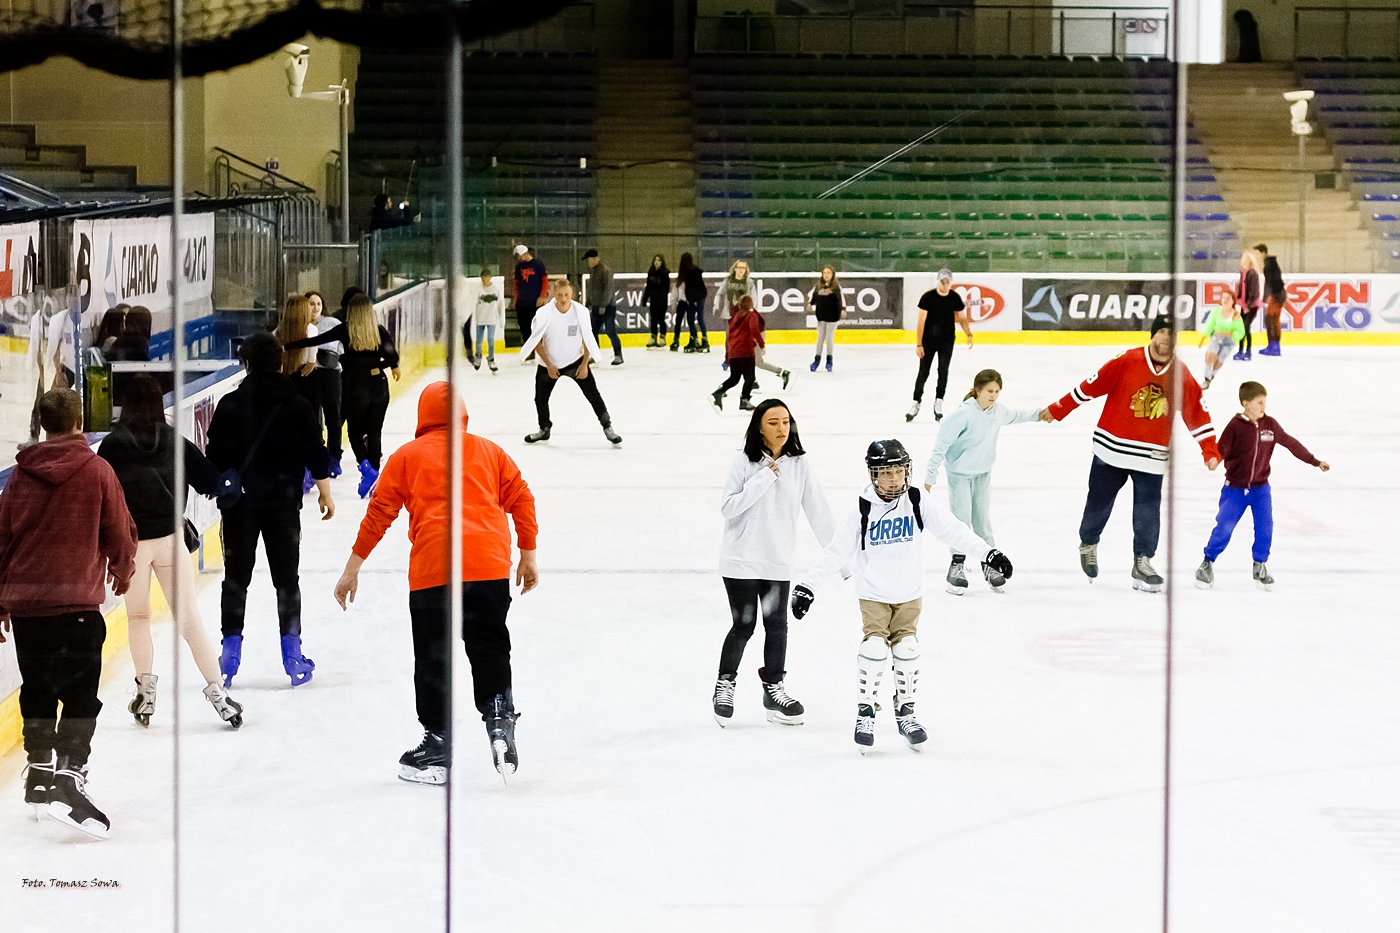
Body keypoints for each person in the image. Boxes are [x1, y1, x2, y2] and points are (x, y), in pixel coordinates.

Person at [333, 382, 539, 781]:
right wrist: (527, 555)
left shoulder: (407, 456)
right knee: (490, 647)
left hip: (433, 572)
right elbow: (522, 498)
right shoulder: (491, 452)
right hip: (488, 568)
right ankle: (499, 716)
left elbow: (379, 514)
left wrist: (352, 567)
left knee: (432, 658)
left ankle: (438, 747)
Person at [790, 439, 1011, 752]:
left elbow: (953, 529)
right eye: (886, 473)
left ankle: (906, 712)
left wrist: (988, 552)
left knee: (907, 649)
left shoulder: (917, 500)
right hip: (874, 594)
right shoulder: (863, 507)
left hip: (909, 594)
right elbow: (836, 550)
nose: (894, 479)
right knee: (875, 648)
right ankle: (865, 712)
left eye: (899, 472)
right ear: (873, 475)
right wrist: (808, 586)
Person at [0, 388, 137, 838]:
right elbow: (119, 529)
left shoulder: (19, 479)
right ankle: (69, 774)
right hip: (76, 605)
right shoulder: (97, 471)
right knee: (80, 694)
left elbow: (3, 540)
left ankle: (39, 770)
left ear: (41, 425)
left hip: (28, 607)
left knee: (37, 687)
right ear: (81, 421)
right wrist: (122, 567)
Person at [96, 375, 243, 729]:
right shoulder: (172, 440)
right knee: (190, 621)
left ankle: (145, 694)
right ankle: (220, 697)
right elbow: (210, 480)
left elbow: (100, 497)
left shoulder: (112, 447)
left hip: (131, 545)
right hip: (169, 538)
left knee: (138, 619)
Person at [1040, 314, 1221, 593]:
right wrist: (1058, 408)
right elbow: (1090, 386)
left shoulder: (1180, 373)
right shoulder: (1127, 360)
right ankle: (1088, 542)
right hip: (1111, 448)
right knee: (1099, 502)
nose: (1166, 339)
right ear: (1152, 335)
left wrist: (1209, 450)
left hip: (1152, 455)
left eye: (1171, 334)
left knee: (1148, 512)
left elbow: (1197, 412)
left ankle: (1143, 561)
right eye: (1161, 332)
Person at [205, 332, 334, 688]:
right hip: (283, 504)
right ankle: (292, 654)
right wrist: (325, 493)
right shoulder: (298, 404)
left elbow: (213, 458)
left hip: (241, 505)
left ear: (246, 363)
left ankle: (229, 654)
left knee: (236, 579)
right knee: (286, 580)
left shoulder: (230, 404)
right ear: (280, 362)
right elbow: (316, 451)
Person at [712, 399, 836, 728]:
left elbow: (818, 510)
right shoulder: (744, 461)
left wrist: (842, 558)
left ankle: (773, 689)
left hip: (777, 563)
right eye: (773, 423)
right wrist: (763, 478)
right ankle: (725, 684)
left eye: (785, 422)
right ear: (759, 428)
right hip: (741, 561)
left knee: (777, 627)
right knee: (744, 626)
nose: (781, 428)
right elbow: (728, 508)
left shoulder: (800, 463)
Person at [1196, 381, 1328, 592]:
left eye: (1264, 401)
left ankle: (1260, 565)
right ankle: (1207, 562)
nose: (1263, 406)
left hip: (1260, 489)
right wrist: (1214, 460)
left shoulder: (1270, 425)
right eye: (1259, 402)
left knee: (1265, 528)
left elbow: (1290, 443)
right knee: (1224, 527)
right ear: (1246, 403)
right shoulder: (1235, 426)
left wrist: (1314, 461)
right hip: (1235, 489)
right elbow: (1222, 448)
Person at [923, 368, 1043, 596]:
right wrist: (930, 476)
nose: (994, 395)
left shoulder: (997, 412)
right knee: (961, 521)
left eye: (997, 391)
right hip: (959, 474)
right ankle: (956, 566)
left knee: (982, 522)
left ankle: (989, 563)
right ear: (978, 389)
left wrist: (1040, 413)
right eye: (989, 390)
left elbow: (1017, 415)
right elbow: (941, 445)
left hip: (982, 473)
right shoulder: (963, 414)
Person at [283, 294, 401, 498]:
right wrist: (379, 366)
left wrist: (287, 346)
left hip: (355, 387)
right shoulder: (379, 331)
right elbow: (392, 356)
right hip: (378, 385)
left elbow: (316, 340)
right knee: (374, 432)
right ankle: (373, 474)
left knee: (355, 432)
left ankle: (365, 466)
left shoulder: (345, 329)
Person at [519, 280, 622, 447]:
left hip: (575, 361)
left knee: (593, 395)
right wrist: (549, 365)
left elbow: (588, 337)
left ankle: (608, 427)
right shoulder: (544, 313)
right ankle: (544, 429)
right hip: (549, 363)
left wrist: (584, 363)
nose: (563, 299)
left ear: (572, 294)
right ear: (554, 294)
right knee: (540, 398)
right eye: (559, 295)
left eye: (566, 295)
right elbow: (536, 342)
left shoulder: (580, 311)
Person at [907, 268, 973, 423]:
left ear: (951, 282)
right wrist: (919, 344)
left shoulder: (955, 298)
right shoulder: (927, 298)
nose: (944, 285)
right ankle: (916, 402)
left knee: (943, 371)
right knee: (923, 372)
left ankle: (939, 402)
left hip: (947, 341)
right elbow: (921, 322)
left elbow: (962, 318)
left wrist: (968, 333)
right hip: (928, 341)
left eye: (947, 282)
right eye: (942, 282)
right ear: (938, 281)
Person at [307, 290, 345, 478]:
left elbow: (342, 350)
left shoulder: (332, 324)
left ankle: (334, 456)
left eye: (318, 304)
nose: (315, 307)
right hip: (309, 376)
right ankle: (315, 456)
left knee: (332, 416)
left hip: (330, 376)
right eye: (311, 303)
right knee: (312, 418)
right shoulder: (298, 325)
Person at [710, 295, 763, 413]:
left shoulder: (735, 317)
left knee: (734, 378)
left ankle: (718, 393)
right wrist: (761, 344)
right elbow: (754, 329)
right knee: (750, 378)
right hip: (745, 352)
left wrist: (728, 355)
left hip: (734, 352)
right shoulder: (751, 314)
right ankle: (744, 400)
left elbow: (730, 336)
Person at [1198, 290, 1246, 390]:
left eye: (1228, 298)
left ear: (1233, 301)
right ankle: (1206, 378)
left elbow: (1240, 331)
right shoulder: (1216, 311)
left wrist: (1232, 335)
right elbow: (1209, 324)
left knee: (1219, 360)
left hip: (1229, 342)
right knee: (1210, 356)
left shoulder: (1235, 315)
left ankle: (1211, 376)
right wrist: (1203, 337)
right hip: (1216, 338)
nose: (1225, 300)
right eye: (1223, 297)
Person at [583, 248, 623, 366]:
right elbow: (592, 289)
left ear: (595, 259)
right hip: (596, 306)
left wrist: (603, 305)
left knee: (610, 330)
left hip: (607, 307)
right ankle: (595, 355)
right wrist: (589, 302)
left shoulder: (605, 270)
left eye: (589, 260)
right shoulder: (593, 271)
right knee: (593, 331)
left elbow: (608, 289)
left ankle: (618, 355)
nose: (588, 262)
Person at [807, 265, 846, 373]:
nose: (826, 275)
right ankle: (816, 360)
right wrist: (810, 304)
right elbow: (814, 297)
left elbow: (841, 299)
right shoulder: (819, 285)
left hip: (833, 316)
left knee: (829, 338)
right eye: (824, 273)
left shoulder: (836, 286)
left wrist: (843, 309)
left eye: (828, 273)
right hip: (821, 315)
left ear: (833, 274)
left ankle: (829, 361)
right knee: (820, 339)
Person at [672, 252, 710, 353]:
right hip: (695, 299)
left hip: (694, 299)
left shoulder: (691, 272)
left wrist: (692, 300)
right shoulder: (690, 272)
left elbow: (694, 288)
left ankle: (700, 340)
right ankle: (696, 340)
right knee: (693, 320)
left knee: (695, 319)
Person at [512, 244, 548, 346]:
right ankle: (529, 349)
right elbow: (516, 284)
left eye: (519, 256)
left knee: (537, 327)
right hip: (523, 302)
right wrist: (516, 299)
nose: (519, 258)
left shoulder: (538, 264)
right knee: (524, 326)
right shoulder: (519, 267)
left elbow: (544, 281)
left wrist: (542, 296)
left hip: (536, 301)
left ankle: (539, 349)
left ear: (524, 254)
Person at [470, 269, 504, 372]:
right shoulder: (478, 289)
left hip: (492, 319)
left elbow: (501, 304)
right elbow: (472, 303)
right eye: (484, 278)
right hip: (481, 318)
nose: (486, 280)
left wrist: (502, 319)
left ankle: (491, 359)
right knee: (479, 340)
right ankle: (478, 356)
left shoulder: (496, 289)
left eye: (488, 277)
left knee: (490, 340)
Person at [1232, 249, 1262, 361]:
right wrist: (1239, 301)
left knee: (1246, 327)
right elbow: (1241, 288)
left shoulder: (1252, 274)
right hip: (1244, 305)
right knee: (1241, 327)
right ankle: (1240, 350)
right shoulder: (1243, 273)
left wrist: (1247, 306)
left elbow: (1254, 293)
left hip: (1252, 306)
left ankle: (1248, 351)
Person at [1257, 243, 1286, 357]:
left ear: (1262, 253)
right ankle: (1274, 346)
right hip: (1278, 293)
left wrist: (1268, 297)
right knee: (1272, 319)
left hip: (1276, 294)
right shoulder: (1271, 263)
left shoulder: (1269, 265)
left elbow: (1270, 283)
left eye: (1257, 254)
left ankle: (1273, 346)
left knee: (1271, 319)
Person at [643, 254, 670, 348]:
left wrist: (661, 299)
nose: (656, 262)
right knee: (653, 319)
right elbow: (648, 287)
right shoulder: (651, 272)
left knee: (661, 319)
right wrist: (645, 298)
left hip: (662, 301)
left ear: (662, 262)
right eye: (655, 260)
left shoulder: (665, 273)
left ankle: (663, 337)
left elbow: (666, 289)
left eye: (659, 260)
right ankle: (653, 337)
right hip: (653, 300)